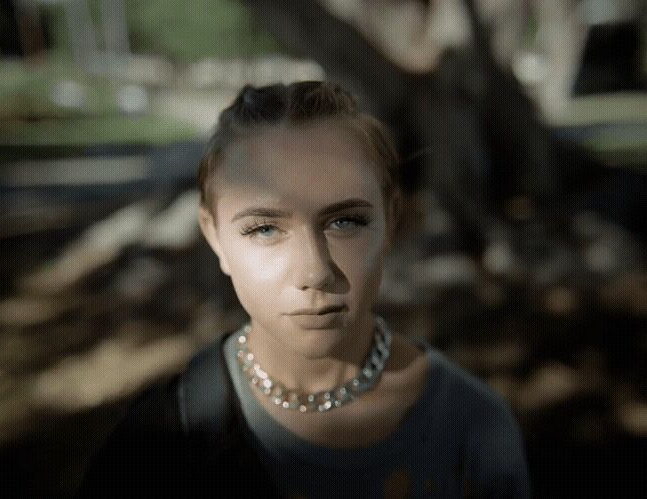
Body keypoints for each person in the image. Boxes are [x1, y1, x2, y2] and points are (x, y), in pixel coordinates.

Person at [75, 81, 530, 498]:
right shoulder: (158, 444)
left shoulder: (474, 427)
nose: (315, 271)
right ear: (215, 237)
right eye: (265, 228)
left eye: (345, 222)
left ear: (390, 221)